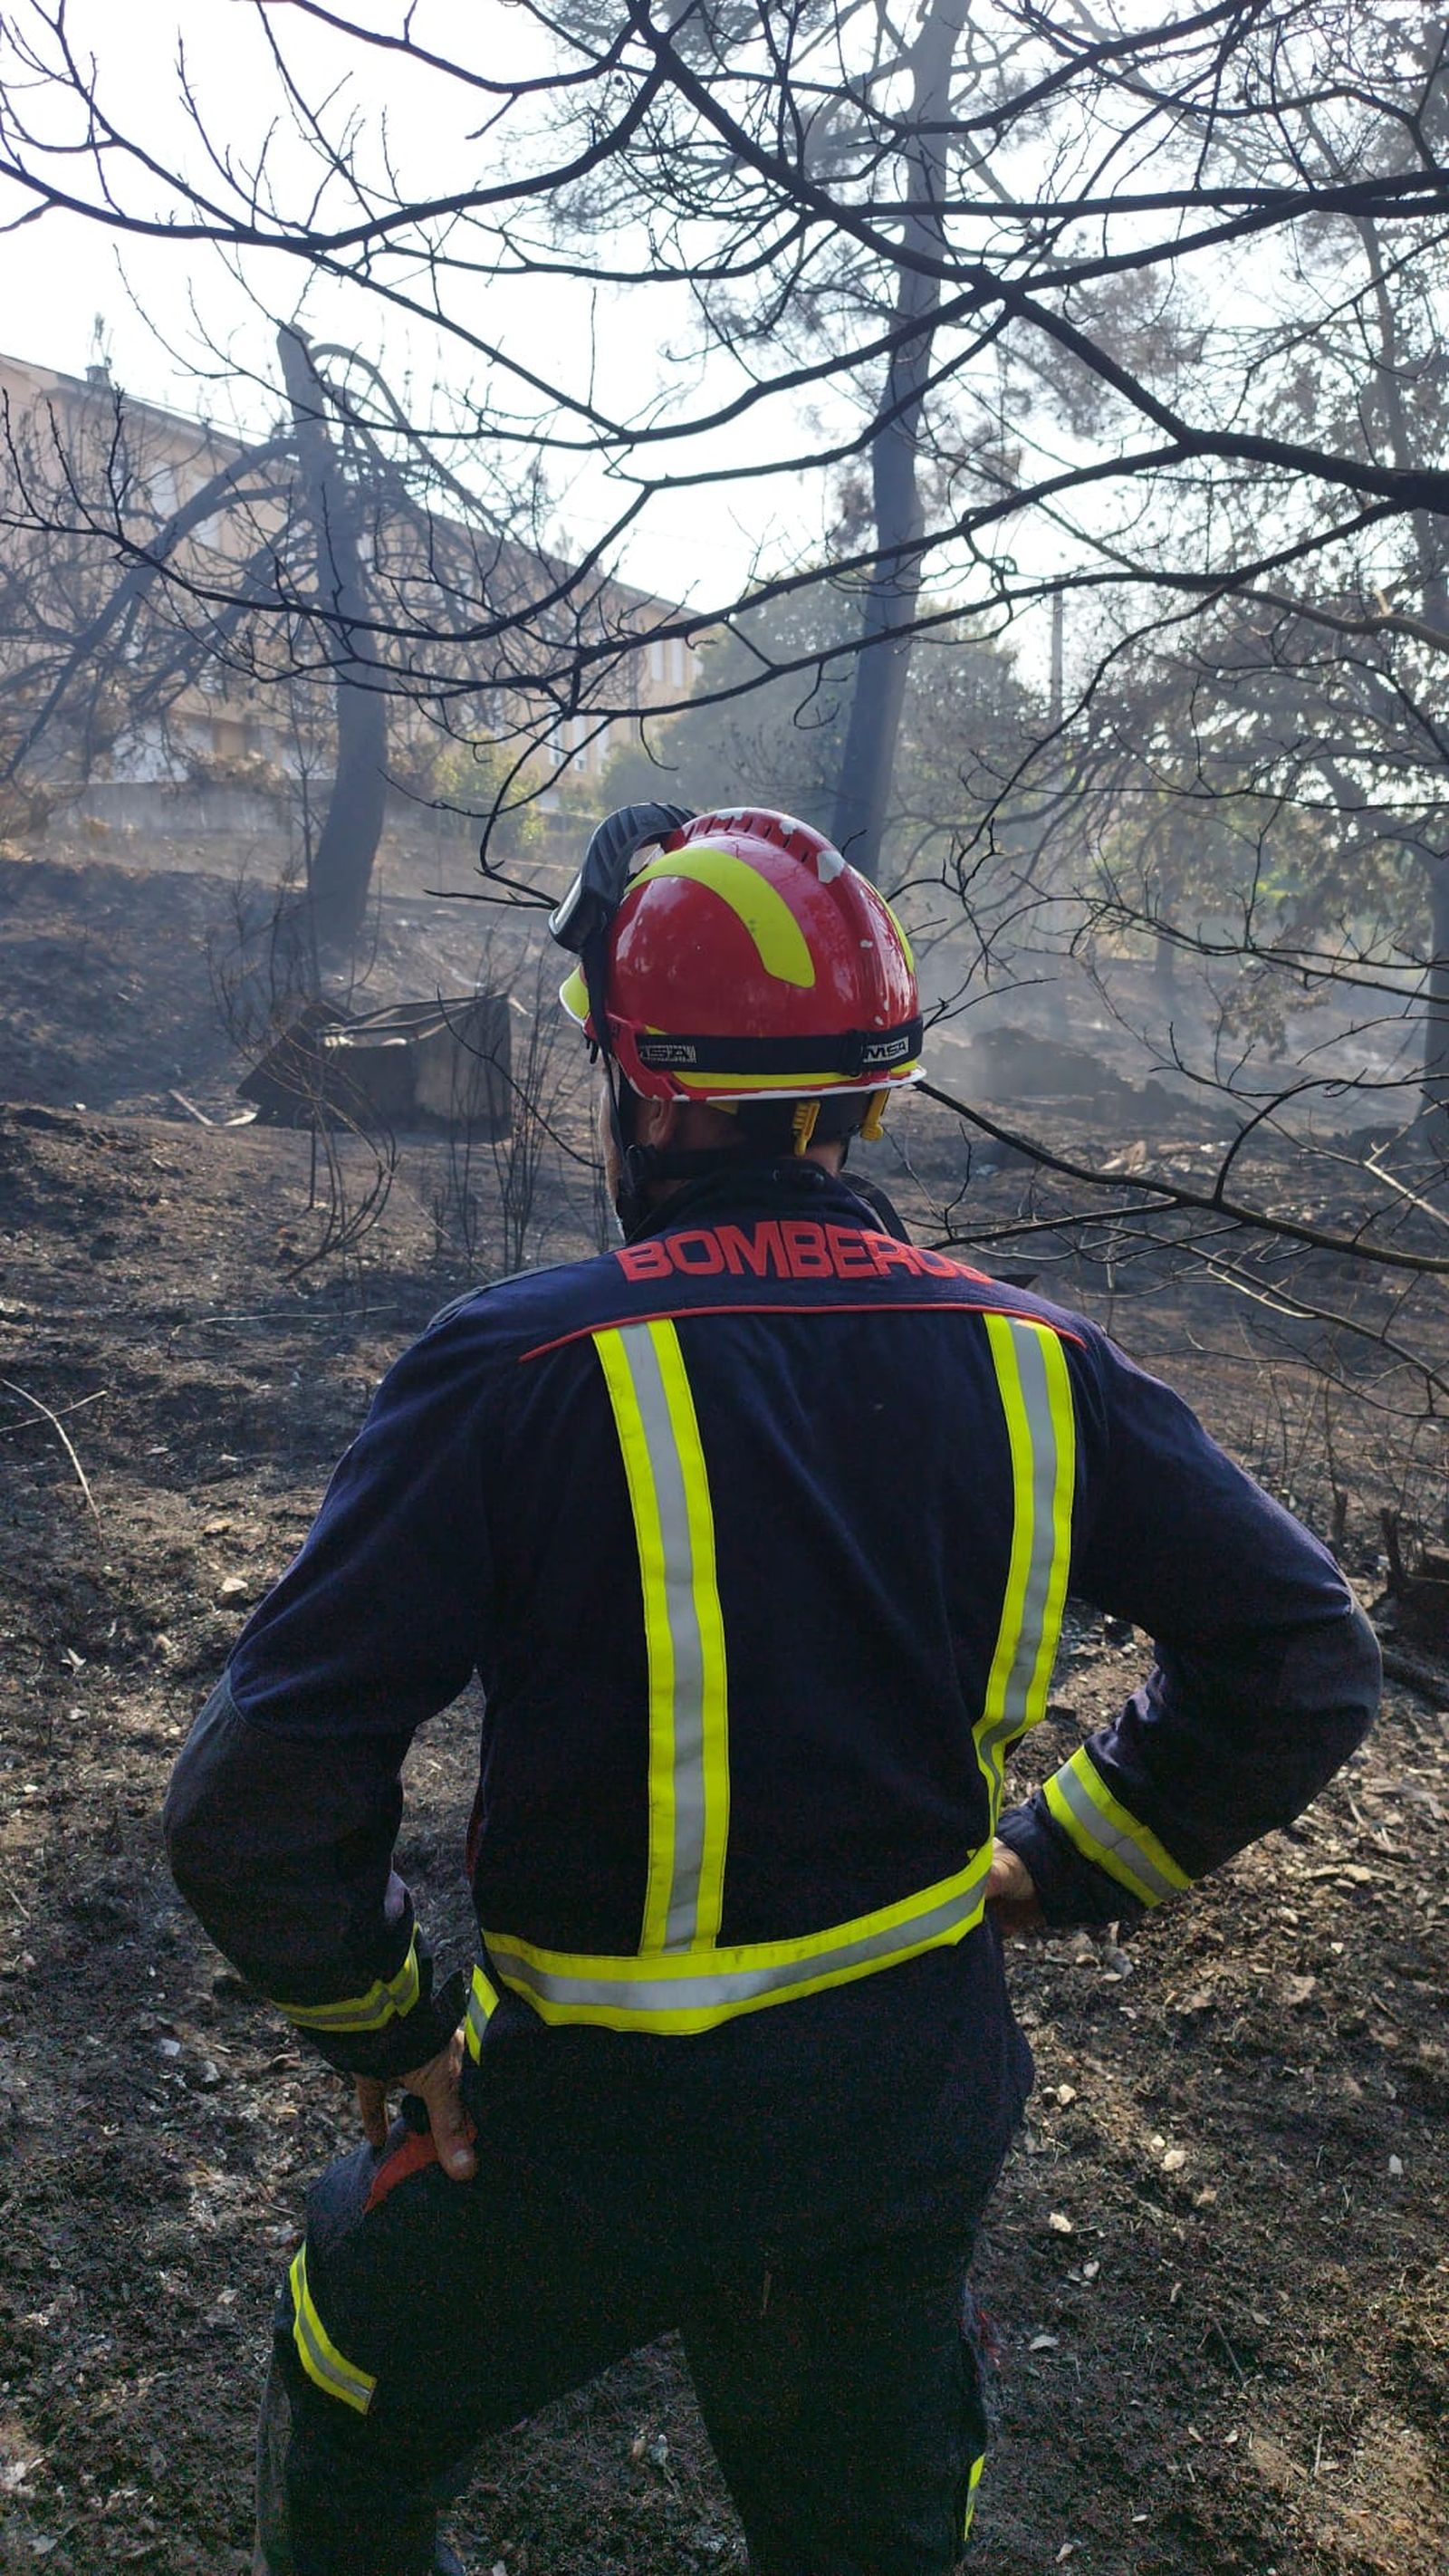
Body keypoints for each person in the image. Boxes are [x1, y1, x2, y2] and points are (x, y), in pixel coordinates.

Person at [164, 803, 1380, 2576]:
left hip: (575, 2146)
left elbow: (252, 1799)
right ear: (868, 1098)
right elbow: (1302, 1655)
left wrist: (390, 2029)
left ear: (647, 1096)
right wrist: (1061, 1859)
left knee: (349, 2406)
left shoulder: (517, 1370)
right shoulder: (1043, 1367)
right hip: (898, 2126)